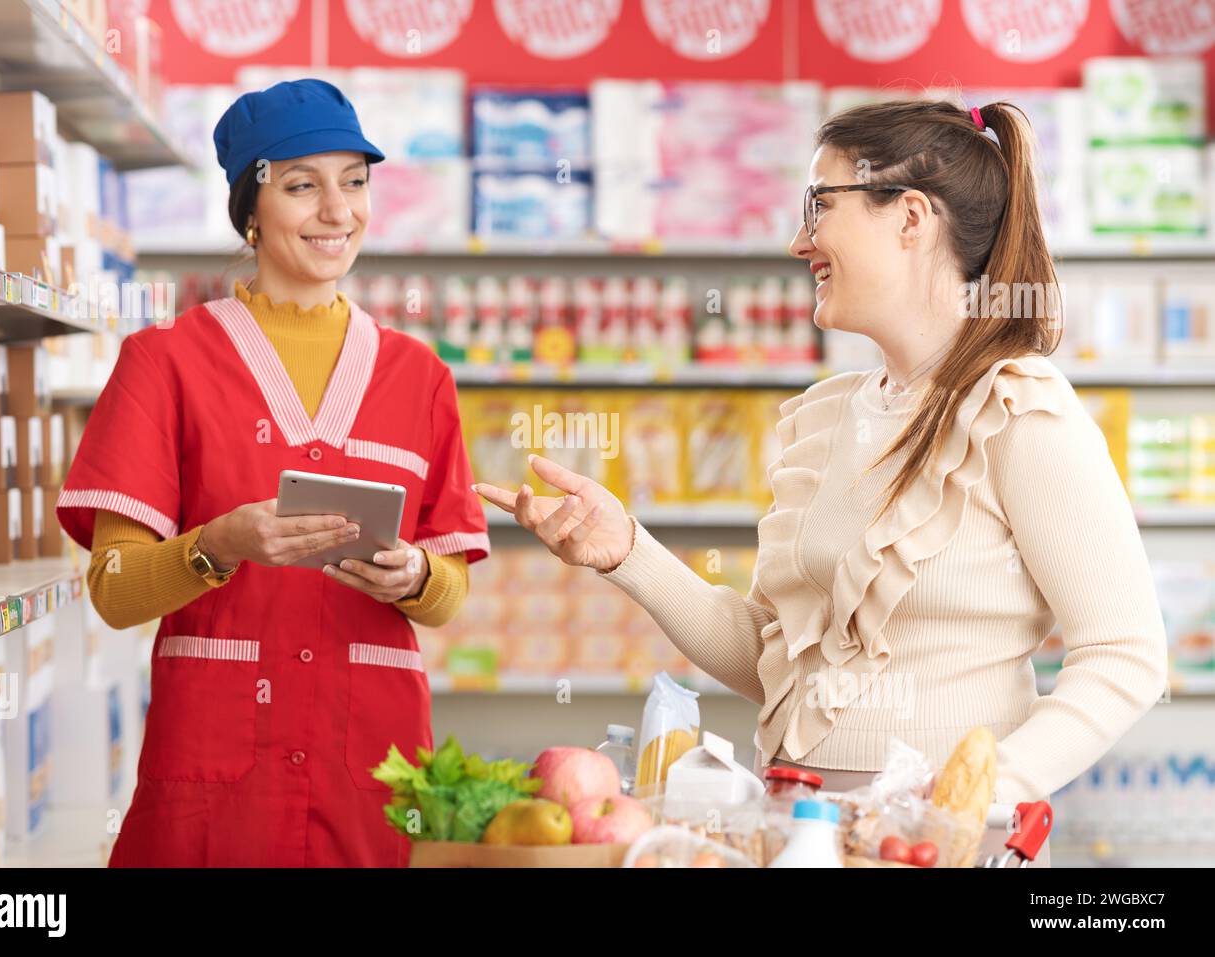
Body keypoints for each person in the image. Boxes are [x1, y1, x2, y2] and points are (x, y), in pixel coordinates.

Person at [475, 100, 1169, 867]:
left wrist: (971, 800)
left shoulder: (1018, 406)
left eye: (820, 205)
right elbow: (769, 656)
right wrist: (628, 551)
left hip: (936, 852)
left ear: (910, 216)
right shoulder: (826, 419)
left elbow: (1124, 653)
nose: (799, 239)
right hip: (796, 834)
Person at [57, 79, 489, 866]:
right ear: (249, 209)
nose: (338, 210)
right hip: (218, 777)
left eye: (355, 182)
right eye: (302, 185)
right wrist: (215, 544)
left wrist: (415, 574)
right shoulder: (165, 365)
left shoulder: (418, 376)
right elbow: (115, 590)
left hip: (370, 770)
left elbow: (450, 592)